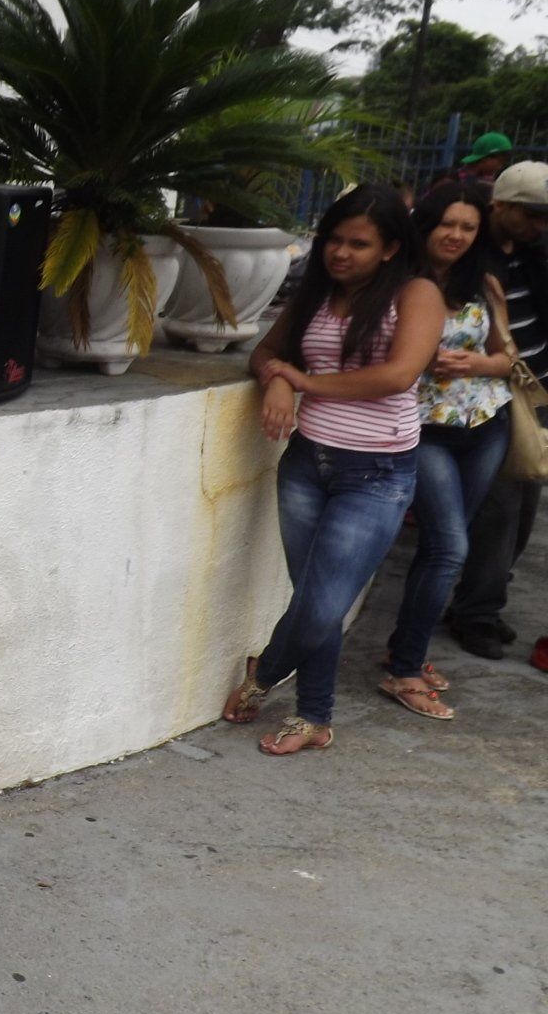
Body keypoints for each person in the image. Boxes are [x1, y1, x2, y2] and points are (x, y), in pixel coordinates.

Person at [222, 185, 446, 754]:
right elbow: (264, 352)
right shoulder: (317, 293)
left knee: (321, 605)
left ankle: (266, 672)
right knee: (313, 598)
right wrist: (277, 380)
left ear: (390, 248)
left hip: (377, 474)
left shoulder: (416, 294)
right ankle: (313, 718)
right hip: (307, 464)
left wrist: (304, 382)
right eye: (333, 240)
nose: (340, 253)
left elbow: (399, 375)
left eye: (358, 244)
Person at [379, 183, 514, 719]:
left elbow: (506, 358)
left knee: (441, 545)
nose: (456, 235)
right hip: (423, 427)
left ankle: (403, 650)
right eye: (447, 224)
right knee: (450, 547)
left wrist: (475, 363)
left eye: (468, 227)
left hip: (484, 422)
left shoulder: (482, 283)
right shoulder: (396, 283)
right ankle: (405, 669)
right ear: (425, 225)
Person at [446, 161, 548, 657]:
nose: (539, 224)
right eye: (531, 214)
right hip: (494, 401)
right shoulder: (473, 258)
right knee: (499, 512)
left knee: (524, 508)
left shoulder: (533, 253)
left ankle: (482, 603)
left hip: (535, 397)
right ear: (500, 206)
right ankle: (475, 614)